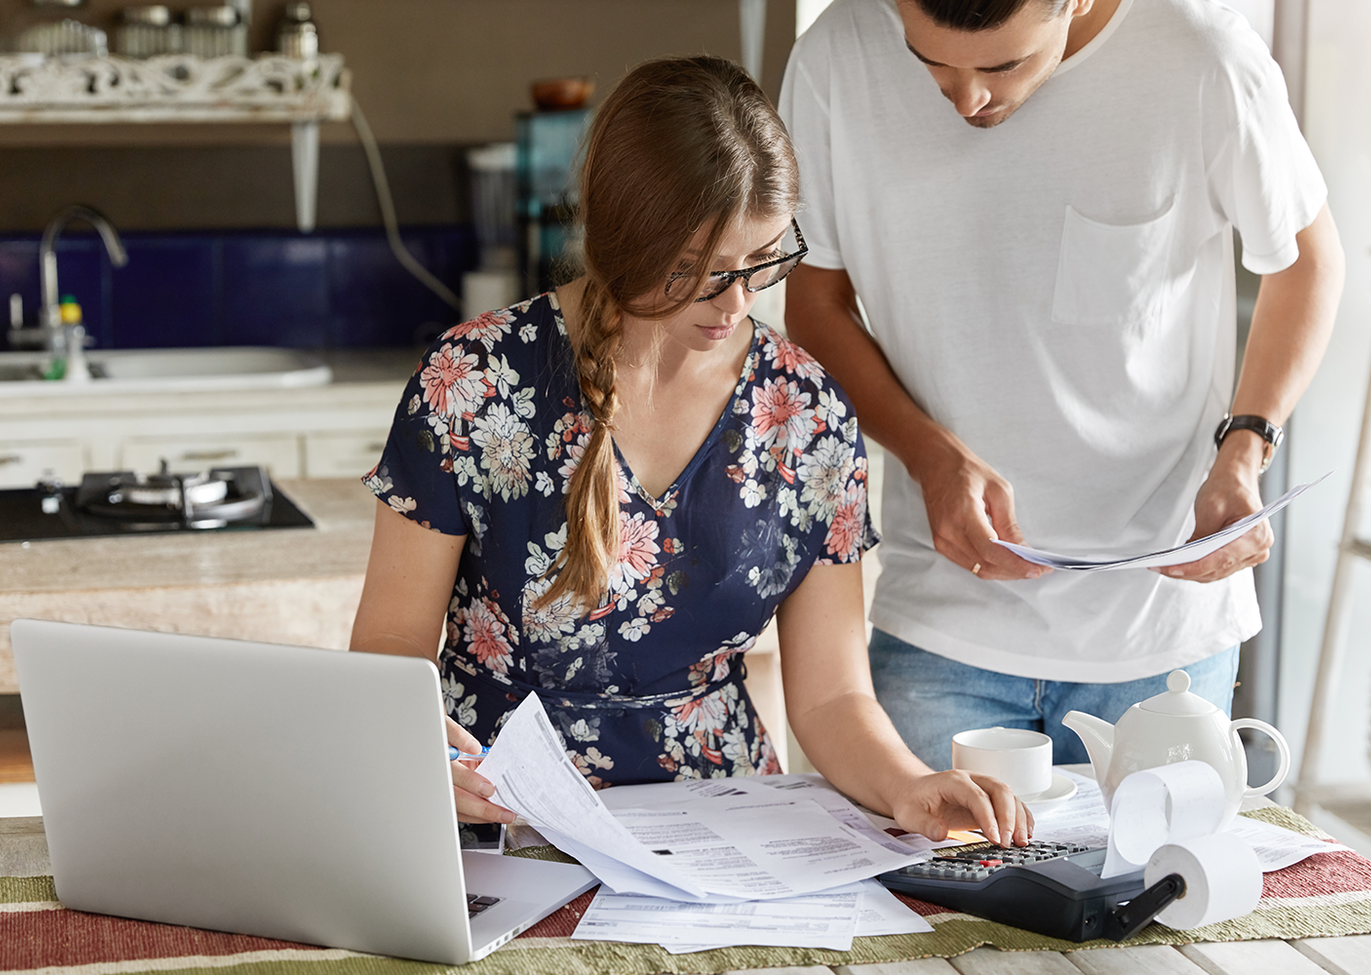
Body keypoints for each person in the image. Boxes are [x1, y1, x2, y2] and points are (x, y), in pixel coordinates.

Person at [349, 55, 1029, 846]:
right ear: (622, 238)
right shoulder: (472, 382)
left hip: (725, 837)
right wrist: (422, 748)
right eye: (695, 273)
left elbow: (832, 697)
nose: (737, 304)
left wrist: (910, 784)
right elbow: (390, 652)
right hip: (500, 824)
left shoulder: (806, 414)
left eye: (762, 261)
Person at [779, 0, 1344, 770]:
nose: (967, 98)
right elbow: (815, 302)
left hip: (1161, 637)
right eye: (931, 64)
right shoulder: (836, 57)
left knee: (1162, 888)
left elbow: (1308, 262)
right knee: (925, 893)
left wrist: (1242, 451)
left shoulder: (1204, 58)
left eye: (1001, 65)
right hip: (942, 629)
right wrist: (928, 454)